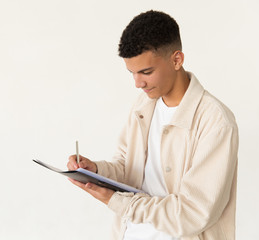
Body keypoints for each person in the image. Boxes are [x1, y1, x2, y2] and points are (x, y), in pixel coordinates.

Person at [67, 10, 238, 240]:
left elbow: (192, 213)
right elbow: (128, 169)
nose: (138, 83)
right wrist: (96, 171)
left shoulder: (216, 122)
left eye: (146, 72)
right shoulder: (144, 106)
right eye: (132, 73)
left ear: (177, 60)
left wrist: (116, 201)